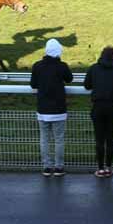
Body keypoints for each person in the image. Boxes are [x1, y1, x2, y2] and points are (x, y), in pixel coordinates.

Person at [30, 39, 73, 177]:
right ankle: (59, 167)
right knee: (59, 139)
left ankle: (46, 167)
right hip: (59, 110)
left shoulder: (37, 66)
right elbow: (69, 79)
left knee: (44, 139)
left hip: (43, 109)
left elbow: (33, 84)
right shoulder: (62, 66)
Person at [84, 46, 113, 178]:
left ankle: (100, 168)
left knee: (99, 139)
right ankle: (108, 167)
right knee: (111, 139)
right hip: (112, 106)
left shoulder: (94, 68)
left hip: (98, 106)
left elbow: (87, 85)